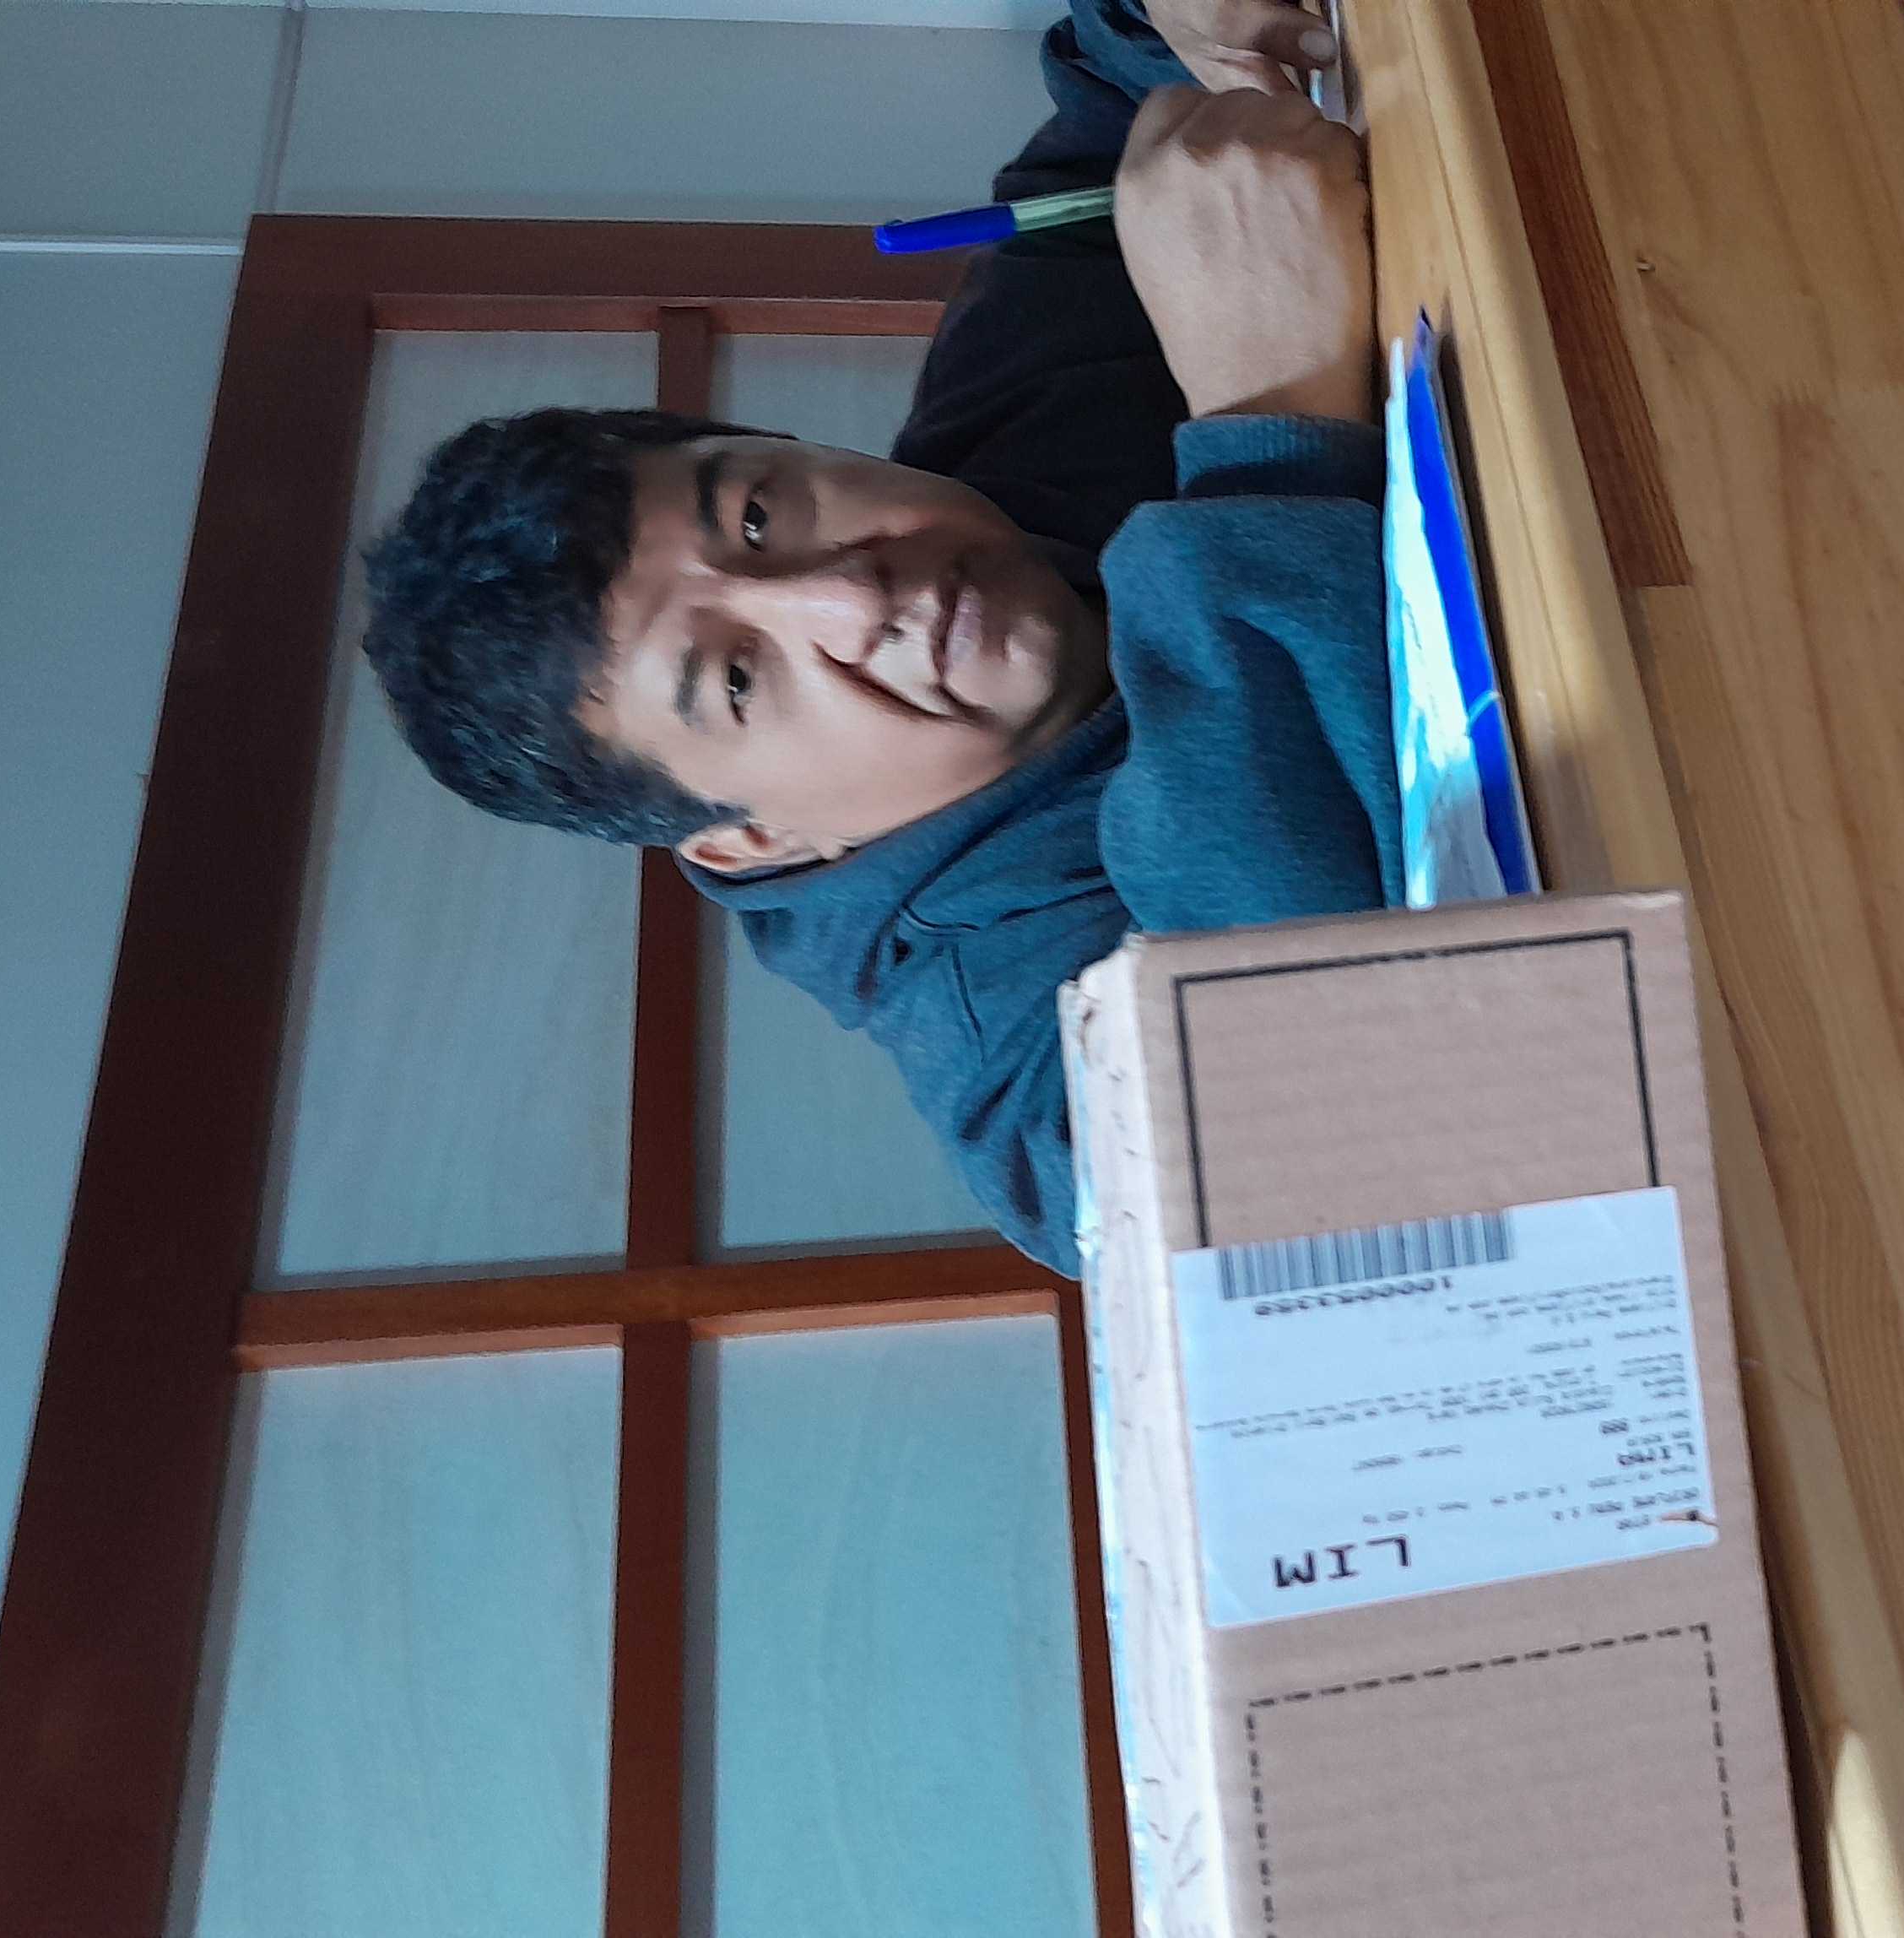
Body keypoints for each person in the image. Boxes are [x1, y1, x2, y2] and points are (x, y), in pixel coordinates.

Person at [356, 0, 1399, 1274]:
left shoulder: (994, 456)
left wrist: (1171, 23)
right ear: (749, 839)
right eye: (739, 678)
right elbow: (1303, 1152)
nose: (852, 598)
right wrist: (1270, 428)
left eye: (758, 516)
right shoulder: (1029, 1069)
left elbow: (1102, 148)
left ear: (789, 446)